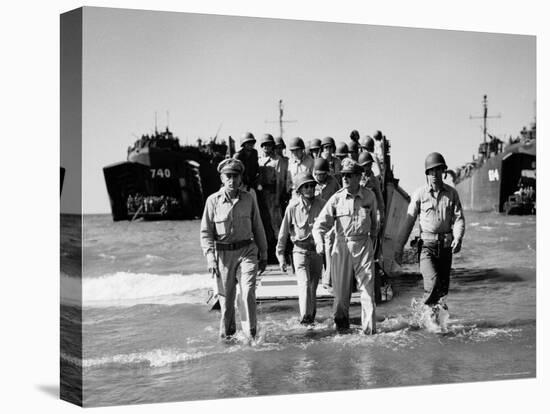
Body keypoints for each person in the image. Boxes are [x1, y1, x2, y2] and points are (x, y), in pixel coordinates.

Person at [200, 158, 268, 339]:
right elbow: (206, 233)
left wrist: (264, 254)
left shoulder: (249, 199)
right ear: (221, 178)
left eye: (235, 176)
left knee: (247, 292)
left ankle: (251, 335)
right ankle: (227, 337)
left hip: (247, 251)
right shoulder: (212, 202)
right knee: (227, 303)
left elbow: (258, 227)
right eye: (228, 176)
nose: (232, 180)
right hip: (223, 256)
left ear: (240, 178)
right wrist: (210, 258)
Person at [395, 152, 465, 322]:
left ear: (443, 172)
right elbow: (408, 222)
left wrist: (458, 237)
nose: (434, 175)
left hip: (446, 247)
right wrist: (399, 247)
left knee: (442, 292)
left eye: (438, 171)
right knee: (432, 284)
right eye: (431, 171)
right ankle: (427, 320)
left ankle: (432, 321)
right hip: (427, 247)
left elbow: (459, 219)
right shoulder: (419, 194)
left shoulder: (452, 194)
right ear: (427, 174)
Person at [313, 158, 378, 334]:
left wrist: (373, 247)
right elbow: (319, 225)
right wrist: (320, 243)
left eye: (349, 175)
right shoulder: (336, 199)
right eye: (343, 175)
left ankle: (369, 333)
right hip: (341, 247)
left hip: (363, 244)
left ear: (358, 177)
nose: (345, 179)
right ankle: (341, 330)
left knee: (367, 291)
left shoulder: (369, 197)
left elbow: (375, 226)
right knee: (341, 297)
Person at [277, 172, 325, 325]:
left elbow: (331, 229)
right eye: (306, 186)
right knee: (304, 285)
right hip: (299, 251)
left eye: (312, 185)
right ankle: (305, 320)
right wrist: (281, 256)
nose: (310, 189)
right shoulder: (292, 207)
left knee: (312, 288)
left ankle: (311, 318)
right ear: (299, 190)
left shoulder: (323, 205)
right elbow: (283, 233)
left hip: (316, 253)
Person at [312, 157, 340, 289]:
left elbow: (339, 198)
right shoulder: (310, 183)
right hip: (313, 220)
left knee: (328, 246)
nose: (321, 177)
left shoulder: (333, 182)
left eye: (323, 175)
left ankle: (328, 278)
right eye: (318, 175)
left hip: (329, 220)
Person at [257, 133, 285, 262]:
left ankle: (281, 254)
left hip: (274, 194)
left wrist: (278, 198)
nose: (266, 147)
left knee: (277, 225)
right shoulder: (259, 161)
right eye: (264, 145)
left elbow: (280, 181)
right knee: (263, 224)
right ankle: (266, 256)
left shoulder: (277, 160)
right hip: (262, 195)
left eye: (269, 145)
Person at [358, 152, 385, 226]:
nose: (368, 168)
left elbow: (379, 198)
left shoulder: (374, 180)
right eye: (365, 166)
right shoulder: (357, 178)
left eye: (369, 165)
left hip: (370, 212)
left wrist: (381, 214)